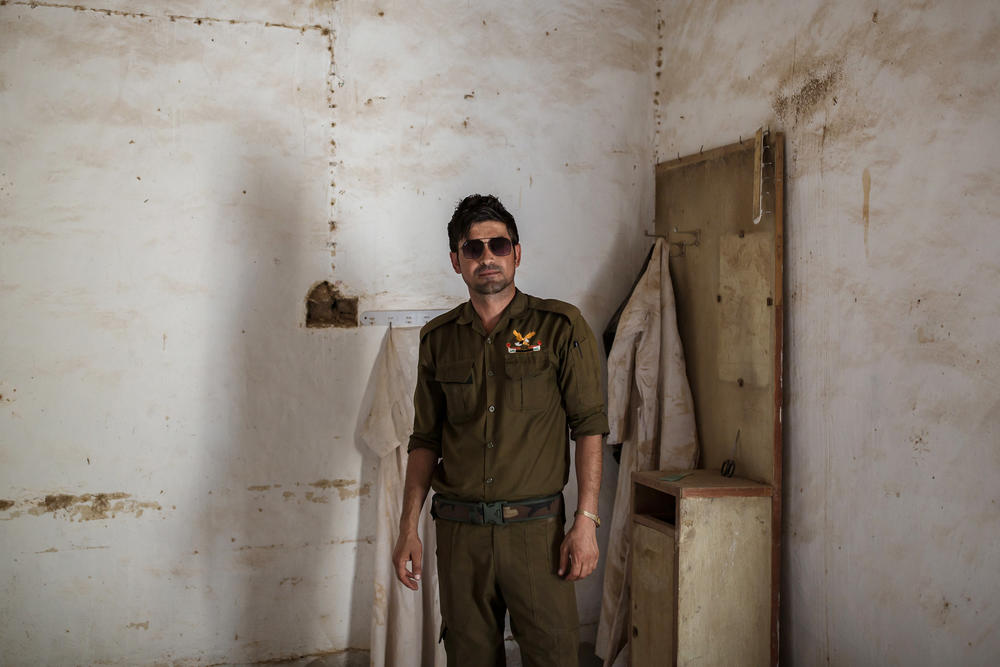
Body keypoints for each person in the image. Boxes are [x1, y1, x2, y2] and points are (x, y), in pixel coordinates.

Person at [392, 194, 609, 666]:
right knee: (469, 658)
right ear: (456, 261)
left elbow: (589, 425)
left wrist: (586, 522)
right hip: (459, 536)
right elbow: (424, 439)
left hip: (536, 533)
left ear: (517, 252)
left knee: (554, 655)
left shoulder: (560, 326)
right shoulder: (438, 338)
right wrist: (408, 526)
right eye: (473, 249)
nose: (487, 257)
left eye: (498, 244)